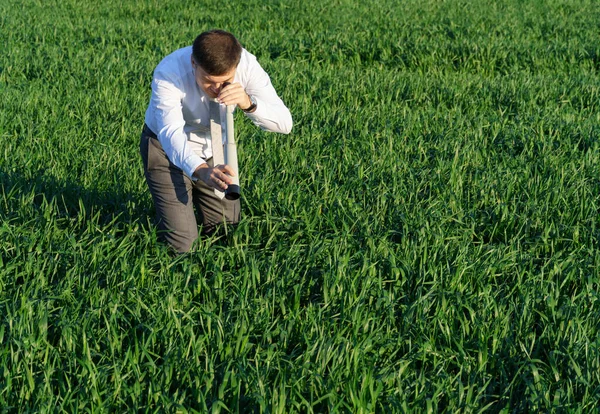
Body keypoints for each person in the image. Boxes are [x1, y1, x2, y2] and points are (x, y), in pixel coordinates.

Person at [140, 30, 292, 253]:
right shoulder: (169, 71)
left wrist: (248, 104)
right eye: (209, 81)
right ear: (194, 63)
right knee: (184, 247)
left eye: (225, 82)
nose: (217, 89)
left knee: (227, 233)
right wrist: (200, 169)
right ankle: (172, 217)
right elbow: (170, 132)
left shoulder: (248, 66)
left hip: (214, 149)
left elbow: (285, 124)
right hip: (165, 150)